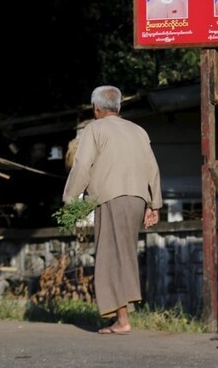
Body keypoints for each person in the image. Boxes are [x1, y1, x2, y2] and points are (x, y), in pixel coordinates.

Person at [62, 85, 163, 335]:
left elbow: (82, 165)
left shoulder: (94, 128)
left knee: (110, 257)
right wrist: (154, 205)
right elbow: (153, 168)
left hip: (112, 198)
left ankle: (123, 320)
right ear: (118, 107)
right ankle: (122, 317)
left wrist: (69, 198)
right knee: (124, 254)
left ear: (96, 108)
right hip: (137, 198)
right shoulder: (138, 130)